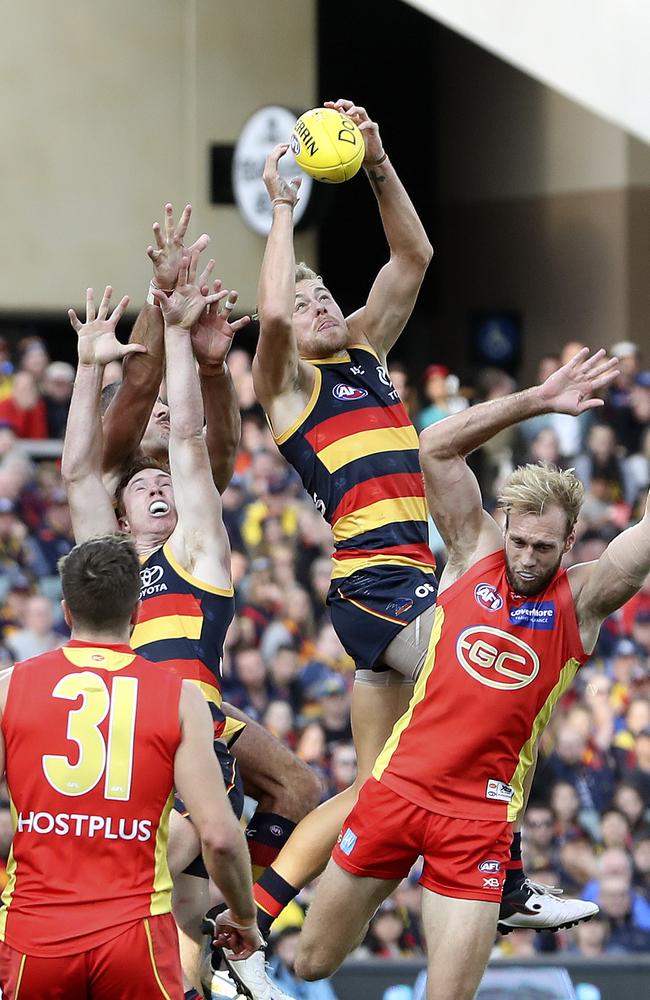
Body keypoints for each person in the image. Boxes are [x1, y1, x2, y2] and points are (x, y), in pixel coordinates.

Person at [229, 112, 600, 997]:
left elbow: (412, 262)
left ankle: (251, 938)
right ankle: (501, 877)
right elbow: (275, 308)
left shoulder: (365, 351)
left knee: (373, 787)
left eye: (328, 297)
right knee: (509, 675)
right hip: (377, 594)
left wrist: (382, 162)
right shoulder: (287, 384)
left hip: (416, 588)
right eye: (312, 299)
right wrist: (282, 213)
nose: (319, 306)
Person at [289, 348, 649, 1000]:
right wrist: (538, 398)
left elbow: (641, 546)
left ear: (569, 544)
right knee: (311, 962)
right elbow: (435, 448)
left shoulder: (583, 600)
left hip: (475, 823)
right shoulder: (474, 549)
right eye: (520, 541)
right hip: (396, 790)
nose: (527, 557)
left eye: (544, 548)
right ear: (504, 527)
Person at [60, 275, 280, 999]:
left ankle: (246, 943)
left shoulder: (199, 555)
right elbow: (75, 472)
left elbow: (186, 437)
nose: (158, 489)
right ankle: (237, 956)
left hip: (188, 755)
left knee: (133, 877)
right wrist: (91, 367)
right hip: (123, 756)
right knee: (177, 930)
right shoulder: (111, 571)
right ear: (119, 521)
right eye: (140, 489)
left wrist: (181, 337)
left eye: (165, 488)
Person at [100, 204, 320, 906]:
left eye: (175, 400)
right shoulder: (114, 473)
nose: (166, 407)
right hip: (130, 691)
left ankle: (238, 922)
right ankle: (176, 917)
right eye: (159, 403)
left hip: (195, 690)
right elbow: (135, 388)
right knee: (182, 840)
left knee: (297, 786)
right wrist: (161, 311)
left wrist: (215, 371)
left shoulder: (183, 492)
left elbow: (216, 453)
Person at [0, 534, 260, 999]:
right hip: (134, 939)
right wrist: (244, 916)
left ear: (66, 610)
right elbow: (219, 836)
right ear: (136, 614)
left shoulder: (10, 688)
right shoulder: (179, 697)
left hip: (34, 936)